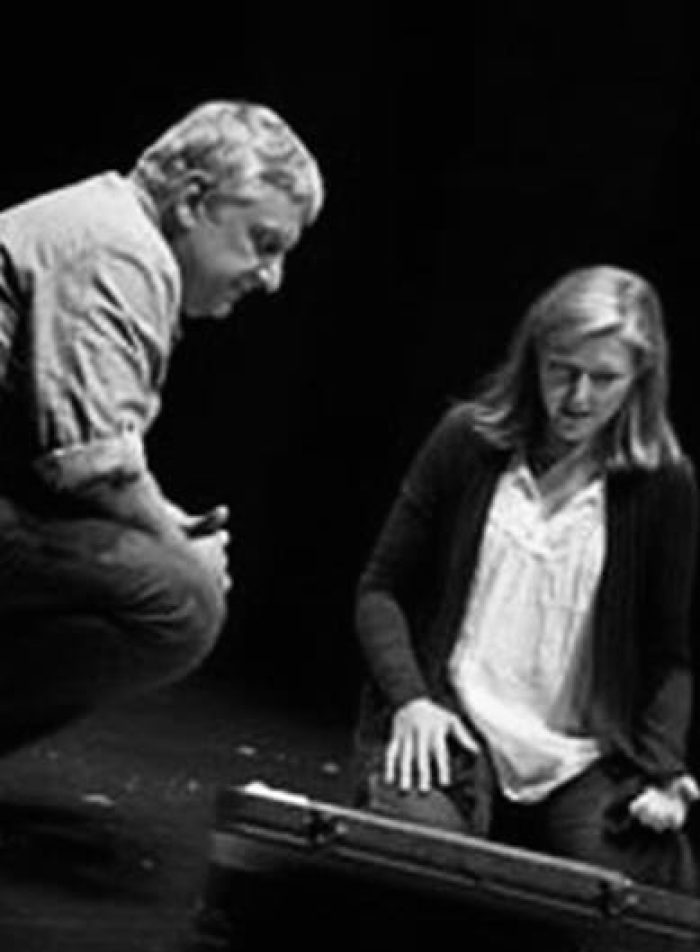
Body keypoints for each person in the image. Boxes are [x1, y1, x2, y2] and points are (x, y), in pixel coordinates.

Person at [353, 265, 699, 903]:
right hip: (457, 727)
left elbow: (669, 653)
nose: (578, 398)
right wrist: (410, 699)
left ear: (640, 382)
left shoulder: (661, 483)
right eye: (562, 370)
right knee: (415, 866)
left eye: (604, 380)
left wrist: (664, 768)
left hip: (580, 754)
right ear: (533, 358)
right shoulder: (468, 441)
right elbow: (381, 589)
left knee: (635, 891)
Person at [0, 101, 324, 755]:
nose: (272, 278)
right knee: (179, 600)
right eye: (263, 243)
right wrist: (181, 549)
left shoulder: (106, 225)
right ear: (192, 199)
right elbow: (92, 468)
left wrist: (167, 523)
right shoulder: (122, 249)